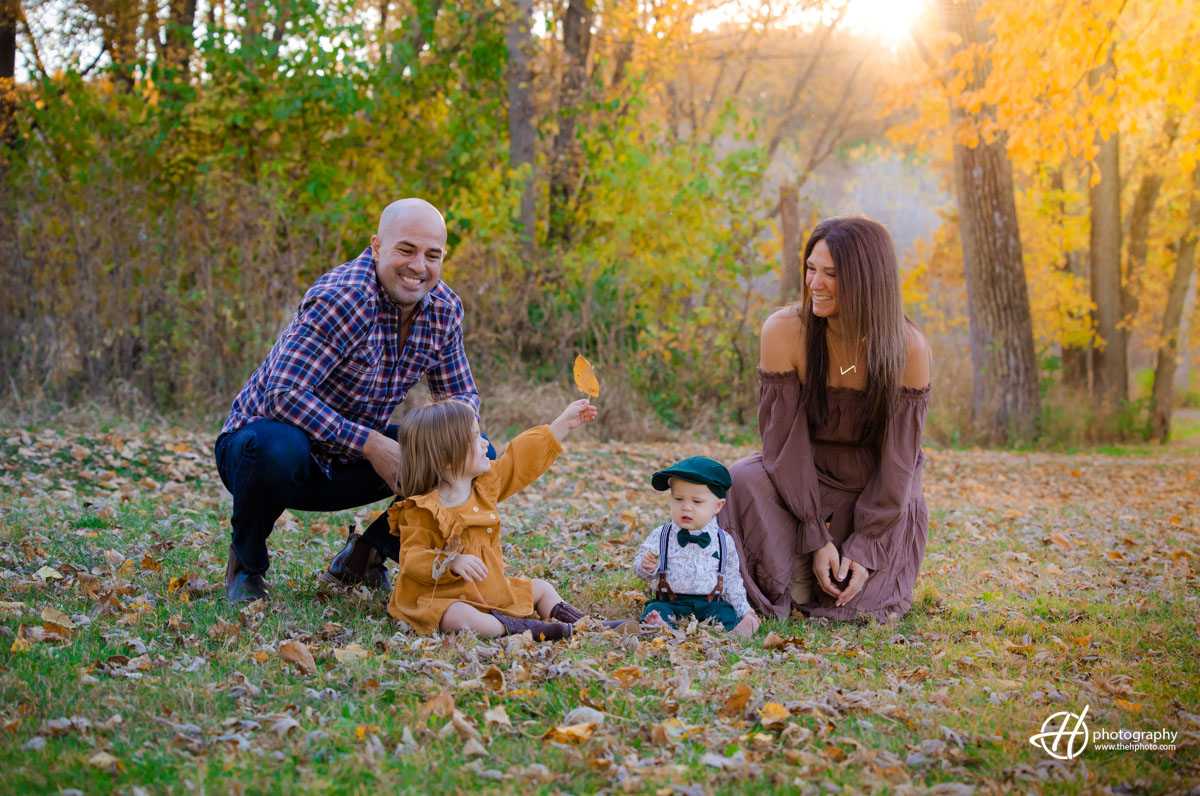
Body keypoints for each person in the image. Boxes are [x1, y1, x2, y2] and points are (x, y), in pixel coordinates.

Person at [214, 198, 490, 602]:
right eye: (406, 250)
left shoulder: (444, 310)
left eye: (433, 255)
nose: (419, 267)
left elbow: (460, 396)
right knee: (279, 445)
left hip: (350, 462)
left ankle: (365, 558)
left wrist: (454, 439)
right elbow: (282, 395)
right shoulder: (343, 298)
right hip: (264, 456)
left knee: (473, 451)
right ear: (377, 247)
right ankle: (247, 565)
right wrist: (373, 444)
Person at [719, 216, 931, 622]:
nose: (814, 284)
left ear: (868, 280)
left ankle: (830, 571)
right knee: (742, 479)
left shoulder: (908, 348)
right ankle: (794, 568)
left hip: (875, 485)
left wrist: (866, 547)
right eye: (811, 269)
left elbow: (900, 462)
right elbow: (782, 445)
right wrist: (815, 534)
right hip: (801, 475)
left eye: (831, 274)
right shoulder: (785, 331)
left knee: (860, 607)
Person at [387, 399, 630, 640]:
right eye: (475, 437)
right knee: (458, 617)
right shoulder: (422, 509)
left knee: (542, 589)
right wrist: (450, 562)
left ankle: (587, 625)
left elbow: (519, 460)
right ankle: (517, 628)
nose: (485, 444)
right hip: (441, 596)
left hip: (489, 590)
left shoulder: (484, 486)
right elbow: (411, 557)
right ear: (446, 457)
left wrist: (562, 424)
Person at [633, 457, 761, 637]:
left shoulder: (724, 540)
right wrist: (646, 567)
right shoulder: (662, 534)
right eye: (678, 499)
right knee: (655, 608)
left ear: (717, 506)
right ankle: (661, 627)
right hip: (671, 600)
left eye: (697, 502)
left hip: (710, 602)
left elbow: (732, 580)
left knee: (725, 612)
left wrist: (744, 610)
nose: (686, 507)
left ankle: (736, 630)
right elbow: (639, 567)